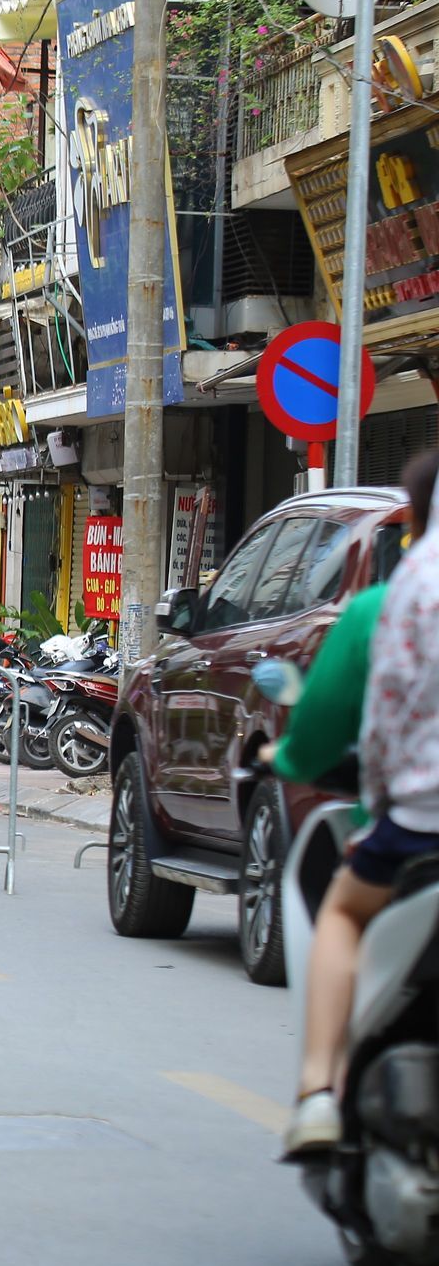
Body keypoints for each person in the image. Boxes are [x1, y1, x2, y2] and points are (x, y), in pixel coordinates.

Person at [272, 449, 439, 1156]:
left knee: (340, 908)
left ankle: (317, 1092)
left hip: (418, 824)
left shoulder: (394, 597)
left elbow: (336, 732)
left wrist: (289, 761)